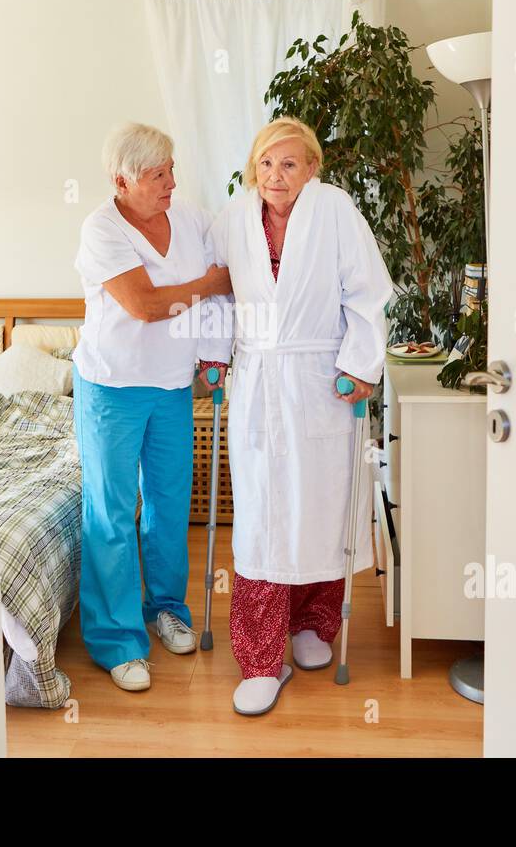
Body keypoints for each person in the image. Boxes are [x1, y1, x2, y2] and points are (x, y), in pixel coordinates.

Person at [202, 116, 391, 715]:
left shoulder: (335, 210)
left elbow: (367, 293)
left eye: (289, 164)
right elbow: (218, 293)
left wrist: (361, 365)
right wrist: (212, 353)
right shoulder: (233, 218)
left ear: (312, 168)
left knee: (320, 506)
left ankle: (314, 626)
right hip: (258, 380)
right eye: (265, 164)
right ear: (252, 170)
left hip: (320, 381)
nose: (275, 176)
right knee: (261, 517)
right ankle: (260, 657)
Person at [72, 122, 231, 692]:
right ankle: (117, 640)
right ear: (122, 181)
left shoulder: (188, 218)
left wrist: (213, 354)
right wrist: (208, 285)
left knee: (167, 505)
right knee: (112, 513)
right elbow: (143, 304)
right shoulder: (101, 228)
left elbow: (222, 288)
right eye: (157, 174)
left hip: (171, 385)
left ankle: (166, 609)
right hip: (111, 388)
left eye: (171, 169)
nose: (171, 181)